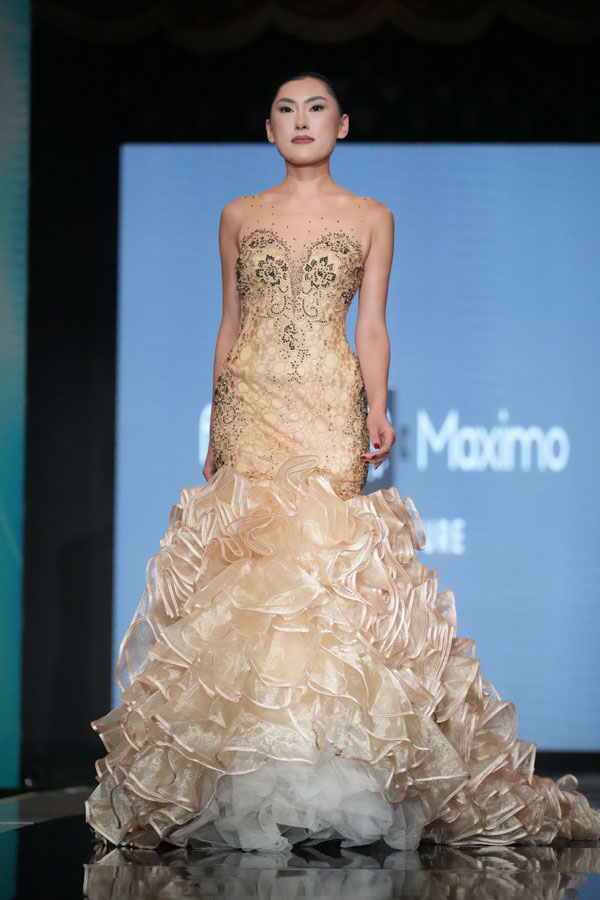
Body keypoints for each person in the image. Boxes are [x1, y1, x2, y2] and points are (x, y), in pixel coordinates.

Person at [85, 72, 600, 852]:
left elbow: (372, 327)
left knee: (323, 581)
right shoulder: (238, 215)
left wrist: (377, 405)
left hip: (328, 406)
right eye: (286, 109)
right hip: (252, 404)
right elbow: (229, 324)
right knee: (249, 585)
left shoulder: (370, 217)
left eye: (316, 108)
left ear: (343, 125)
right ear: (268, 129)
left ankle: (336, 780)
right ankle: (250, 783)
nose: (302, 120)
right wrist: (218, 421)